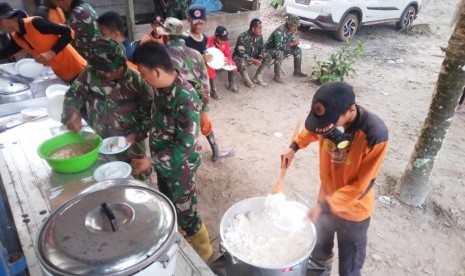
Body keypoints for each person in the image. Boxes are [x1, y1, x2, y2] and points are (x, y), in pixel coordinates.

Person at [280, 81, 388, 276]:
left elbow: (360, 186)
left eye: (328, 124)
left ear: (349, 110)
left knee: (349, 269)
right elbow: (313, 130)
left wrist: (324, 207)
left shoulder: (375, 134)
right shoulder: (328, 120)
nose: (324, 128)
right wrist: (293, 147)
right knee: (319, 253)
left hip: (353, 212)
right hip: (325, 201)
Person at [131, 41, 213, 261]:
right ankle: (181, 236)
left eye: (143, 73)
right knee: (169, 202)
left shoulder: (185, 99)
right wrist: (136, 134)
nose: (142, 77)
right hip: (164, 164)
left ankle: (206, 254)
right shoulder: (161, 89)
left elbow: (186, 146)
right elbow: (153, 117)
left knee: (187, 212)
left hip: (181, 168)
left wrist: (152, 163)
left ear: (156, 72)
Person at [61, 37, 153, 180]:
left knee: (136, 179)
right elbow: (74, 94)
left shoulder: (138, 81)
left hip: (130, 143)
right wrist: (72, 113)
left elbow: (149, 115)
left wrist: (136, 135)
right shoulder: (91, 73)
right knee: (103, 176)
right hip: (99, 139)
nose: (105, 74)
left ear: (123, 63)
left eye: (110, 70)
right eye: (101, 69)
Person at [160, 17, 232, 162]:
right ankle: (215, 151)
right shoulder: (196, 54)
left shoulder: (160, 57)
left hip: (169, 104)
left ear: (166, 36)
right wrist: (204, 106)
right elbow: (204, 83)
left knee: (173, 131)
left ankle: (174, 159)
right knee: (204, 124)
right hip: (194, 101)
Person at [0, 3, 86, 83]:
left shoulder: (35, 23)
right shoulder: (17, 37)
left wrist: (51, 52)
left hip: (78, 70)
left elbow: (68, 32)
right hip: (62, 75)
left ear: (3, 20)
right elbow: (5, 53)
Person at [264, 14, 307, 83]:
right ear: (289, 24)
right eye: (295, 26)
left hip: (281, 48)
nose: (296, 28)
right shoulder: (280, 31)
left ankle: (297, 71)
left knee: (298, 50)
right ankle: (277, 76)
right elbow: (278, 47)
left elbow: (289, 39)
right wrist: (292, 44)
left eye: (296, 26)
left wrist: (294, 41)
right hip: (269, 50)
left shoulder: (291, 30)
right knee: (279, 53)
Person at [232, 18, 272, 88]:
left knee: (268, 56)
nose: (261, 30)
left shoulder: (260, 36)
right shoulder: (242, 37)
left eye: (261, 28)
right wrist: (254, 60)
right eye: (259, 28)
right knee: (239, 61)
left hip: (254, 55)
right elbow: (241, 53)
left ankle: (257, 77)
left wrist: (262, 53)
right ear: (253, 29)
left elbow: (261, 48)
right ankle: (247, 80)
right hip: (242, 57)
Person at [207, 25, 239, 93]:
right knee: (210, 69)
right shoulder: (208, 42)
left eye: (224, 39)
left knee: (233, 65)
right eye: (221, 39)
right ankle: (213, 90)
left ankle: (231, 85)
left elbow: (228, 53)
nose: (223, 41)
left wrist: (228, 60)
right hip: (211, 62)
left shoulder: (225, 41)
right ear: (215, 36)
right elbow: (207, 57)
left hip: (222, 61)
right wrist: (219, 60)